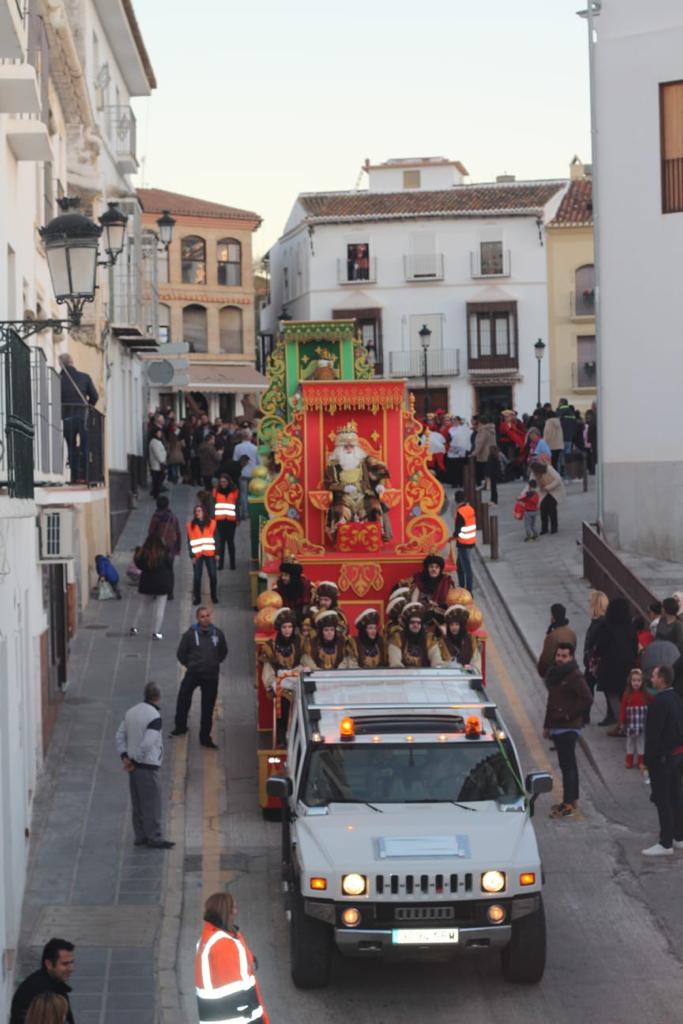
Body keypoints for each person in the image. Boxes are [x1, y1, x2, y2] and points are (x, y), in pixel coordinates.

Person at [195, 891, 269, 1024]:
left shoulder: (209, 939)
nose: (236, 912)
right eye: (233, 908)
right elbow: (236, 993)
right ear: (225, 912)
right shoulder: (224, 945)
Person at [115, 681, 174, 848]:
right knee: (152, 803)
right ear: (158, 696)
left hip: (133, 768)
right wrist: (133, 760)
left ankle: (140, 836)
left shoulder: (131, 712)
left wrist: (125, 757)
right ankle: (155, 837)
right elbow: (148, 743)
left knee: (138, 802)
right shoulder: (154, 717)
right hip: (147, 765)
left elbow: (119, 736)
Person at [543, 642, 593, 819]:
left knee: (568, 765)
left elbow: (587, 698)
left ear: (571, 657)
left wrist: (567, 716)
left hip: (568, 728)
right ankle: (571, 800)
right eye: (558, 655)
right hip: (557, 727)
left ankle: (569, 803)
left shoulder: (574, 676)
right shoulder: (556, 675)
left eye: (564, 656)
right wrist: (547, 725)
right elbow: (551, 702)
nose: (560, 659)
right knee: (566, 765)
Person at [641, 664, 683, 856]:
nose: (651, 678)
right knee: (675, 796)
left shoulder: (659, 702)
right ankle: (678, 837)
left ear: (663, 679)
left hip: (662, 759)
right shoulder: (676, 699)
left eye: (655, 675)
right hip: (676, 756)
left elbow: (653, 736)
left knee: (662, 799)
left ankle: (665, 843)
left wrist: (647, 760)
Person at [172, 606, 228, 749]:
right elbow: (181, 653)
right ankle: (180, 727)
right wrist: (190, 664)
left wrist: (214, 663)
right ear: (197, 618)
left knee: (207, 708)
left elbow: (223, 651)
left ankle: (205, 738)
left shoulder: (218, 634)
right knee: (183, 697)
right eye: (202, 616)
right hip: (193, 673)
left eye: (207, 615)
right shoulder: (190, 635)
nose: (205, 618)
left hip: (211, 676)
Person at [324, 424, 390, 538]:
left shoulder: (364, 461)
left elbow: (380, 471)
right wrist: (343, 487)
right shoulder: (333, 465)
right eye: (346, 446)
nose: (349, 449)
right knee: (341, 511)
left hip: (363, 495)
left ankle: (376, 536)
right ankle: (342, 537)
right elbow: (329, 484)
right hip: (344, 497)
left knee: (375, 506)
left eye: (351, 446)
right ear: (340, 448)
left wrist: (380, 485)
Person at [258, 608, 303, 741]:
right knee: (283, 705)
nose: (287, 630)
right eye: (284, 627)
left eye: (290, 626)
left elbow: (305, 663)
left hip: (298, 682)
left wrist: (294, 673)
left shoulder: (300, 642)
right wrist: (274, 683)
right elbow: (268, 671)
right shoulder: (270, 646)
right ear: (279, 628)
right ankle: (282, 736)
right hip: (279, 685)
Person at [593, 596, 638, 727]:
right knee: (623, 693)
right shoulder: (630, 627)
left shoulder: (606, 626)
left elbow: (600, 646)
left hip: (610, 665)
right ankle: (619, 718)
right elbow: (634, 645)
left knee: (611, 693)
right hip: (627, 664)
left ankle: (619, 720)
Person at [10, 939, 75, 1024]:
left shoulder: (52, 985)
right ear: (49, 964)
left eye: (72, 962)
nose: (71, 968)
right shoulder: (41, 993)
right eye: (65, 964)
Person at [59, 352, 98, 484]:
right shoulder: (84, 377)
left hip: (67, 418)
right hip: (83, 416)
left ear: (61, 364)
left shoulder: (58, 379)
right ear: (72, 362)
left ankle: (74, 475)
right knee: (85, 446)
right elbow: (95, 396)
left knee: (70, 446)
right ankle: (86, 475)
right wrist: (89, 407)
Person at [132, 535, 173, 640]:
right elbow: (170, 567)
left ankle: (134, 627)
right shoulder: (164, 553)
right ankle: (156, 632)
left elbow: (138, 565)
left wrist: (137, 552)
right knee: (160, 609)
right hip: (162, 584)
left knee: (143, 606)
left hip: (147, 584)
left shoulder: (144, 554)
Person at [388, 603, 444, 668]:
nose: (416, 625)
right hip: (404, 676)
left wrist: (437, 667)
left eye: (418, 623)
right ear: (407, 623)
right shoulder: (397, 638)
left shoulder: (429, 638)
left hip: (425, 676)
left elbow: (436, 659)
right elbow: (395, 663)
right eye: (412, 622)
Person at [147, 495, 181, 600]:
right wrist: (178, 549)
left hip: (157, 548)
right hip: (170, 548)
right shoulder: (173, 517)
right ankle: (170, 593)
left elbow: (151, 532)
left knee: (156, 569)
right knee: (169, 570)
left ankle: (156, 591)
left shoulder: (156, 517)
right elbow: (178, 532)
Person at [619, 668, 651, 773]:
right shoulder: (627, 694)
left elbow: (654, 702)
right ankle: (629, 759)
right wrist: (622, 721)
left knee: (641, 742)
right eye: (634, 680)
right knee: (630, 741)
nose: (636, 683)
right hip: (630, 723)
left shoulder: (646, 694)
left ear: (642, 682)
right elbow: (623, 708)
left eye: (638, 680)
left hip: (642, 724)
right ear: (630, 681)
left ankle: (641, 760)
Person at [187, 504, 218, 606]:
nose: (197, 513)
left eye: (199, 511)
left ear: (204, 512)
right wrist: (192, 556)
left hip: (210, 553)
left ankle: (214, 595)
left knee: (213, 576)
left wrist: (217, 553)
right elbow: (189, 542)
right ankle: (197, 598)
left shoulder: (212, 523)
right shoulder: (190, 525)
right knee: (197, 577)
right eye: (196, 511)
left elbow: (217, 539)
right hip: (197, 555)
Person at [583, 589, 609, 707]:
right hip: (593, 661)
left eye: (590, 602)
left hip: (596, 662)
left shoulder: (601, 623)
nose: (588, 605)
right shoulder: (598, 621)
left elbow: (595, 642)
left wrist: (590, 658)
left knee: (589, 687)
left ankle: (585, 715)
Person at [537, 603, 578, 677]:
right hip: (570, 671)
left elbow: (546, 658)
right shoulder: (572, 633)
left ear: (553, 618)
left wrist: (541, 672)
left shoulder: (552, 636)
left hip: (556, 674)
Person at [450, 490, 477, 594]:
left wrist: (453, 536)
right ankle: (461, 586)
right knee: (460, 566)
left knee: (466, 567)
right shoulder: (469, 509)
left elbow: (458, 529)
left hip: (463, 543)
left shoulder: (460, 512)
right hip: (471, 541)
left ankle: (469, 590)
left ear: (457, 500)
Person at [529, 460, 565, 535]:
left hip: (555, 490)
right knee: (543, 508)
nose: (532, 472)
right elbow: (532, 485)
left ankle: (554, 528)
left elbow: (558, 479)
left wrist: (548, 487)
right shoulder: (533, 473)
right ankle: (544, 528)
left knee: (552, 508)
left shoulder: (548, 469)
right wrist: (531, 489)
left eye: (533, 470)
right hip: (544, 492)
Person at [439, 605, 480, 670]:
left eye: (457, 624)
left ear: (461, 625)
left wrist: (471, 669)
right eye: (451, 625)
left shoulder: (471, 639)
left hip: (468, 676)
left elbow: (476, 661)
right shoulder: (442, 641)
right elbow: (439, 663)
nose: (454, 627)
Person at [212, 473, 239, 570]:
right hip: (219, 521)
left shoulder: (234, 491)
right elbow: (213, 506)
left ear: (228, 482)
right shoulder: (215, 491)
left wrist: (237, 518)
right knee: (221, 543)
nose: (223, 483)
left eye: (225, 482)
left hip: (231, 521)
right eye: (221, 482)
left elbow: (237, 505)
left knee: (230, 542)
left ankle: (232, 564)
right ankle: (221, 564)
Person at [273, 561, 312, 625]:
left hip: (300, 614)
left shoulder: (304, 584)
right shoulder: (280, 585)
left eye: (286, 575)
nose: (283, 578)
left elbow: (306, 604)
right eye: (282, 575)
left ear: (293, 576)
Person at [232, 430, 259, 519]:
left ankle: (244, 513)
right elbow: (258, 461)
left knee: (243, 494)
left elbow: (235, 460)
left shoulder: (237, 447)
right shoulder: (255, 448)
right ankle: (251, 512)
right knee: (251, 494)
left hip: (242, 472)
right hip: (252, 473)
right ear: (249, 437)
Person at [445, 416, 471, 487]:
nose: (454, 422)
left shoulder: (462, 429)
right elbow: (448, 438)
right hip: (452, 449)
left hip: (461, 449)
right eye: (453, 421)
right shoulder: (451, 429)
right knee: (453, 467)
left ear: (459, 421)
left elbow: (466, 438)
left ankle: (461, 482)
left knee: (460, 467)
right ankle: (454, 482)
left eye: (456, 421)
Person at [472, 416, 496, 488]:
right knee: (488, 470)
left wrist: (474, 453)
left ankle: (486, 485)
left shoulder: (483, 430)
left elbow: (480, 443)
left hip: (483, 453)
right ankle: (488, 485)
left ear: (480, 423)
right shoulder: (491, 429)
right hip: (490, 452)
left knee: (483, 470)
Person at [148, 427, 167, 499]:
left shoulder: (157, 441)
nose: (160, 434)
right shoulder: (154, 442)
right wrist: (163, 460)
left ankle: (156, 492)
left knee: (158, 479)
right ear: (155, 433)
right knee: (157, 480)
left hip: (158, 464)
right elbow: (157, 454)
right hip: (157, 465)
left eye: (160, 432)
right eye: (159, 432)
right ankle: (156, 493)